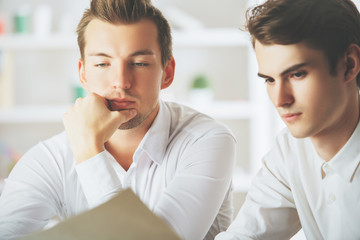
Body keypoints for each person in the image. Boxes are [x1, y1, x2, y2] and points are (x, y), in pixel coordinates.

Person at [0, 0, 236, 239]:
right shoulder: (51, 159)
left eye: (139, 63)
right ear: (82, 73)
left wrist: (89, 152)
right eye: (103, 63)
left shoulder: (207, 141)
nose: (121, 82)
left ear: (167, 72)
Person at [216, 0, 360, 239]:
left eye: (297, 74)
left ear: (349, 64)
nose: (280, 99)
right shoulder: (289, 151)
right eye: (270, 80)